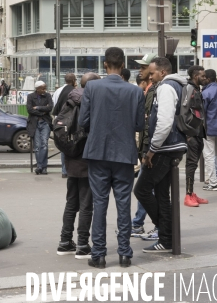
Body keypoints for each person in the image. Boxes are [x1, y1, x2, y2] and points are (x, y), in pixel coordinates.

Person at [79, 47, 144, 269]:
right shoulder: (135, 91)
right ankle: (125, 253)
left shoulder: (92, 87)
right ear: (123, 65)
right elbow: (139, 125)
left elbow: (83, 121)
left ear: (105, 64)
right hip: (124, 153)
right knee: (124, 204)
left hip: (98, 151)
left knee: (100, 203)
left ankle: (98, 254)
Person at [135, 57, 187, 254]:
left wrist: (152, 150)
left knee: (141, 190)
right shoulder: (179, 85)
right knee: (163, 195)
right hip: (174, 145)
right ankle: (167, 239)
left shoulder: (166, 87)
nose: (150, 75)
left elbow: (164, 122)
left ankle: (167, 233)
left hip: (165, 148)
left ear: (162, 72)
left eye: (153, 72)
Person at [57, 73, 97, 259]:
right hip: (87, 157)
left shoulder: (70, 98)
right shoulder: (92, 101)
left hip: (70, 156)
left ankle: (65, 242)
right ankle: (82, 244)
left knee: (71, 202)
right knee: (86, 204)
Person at [132, 53, 158, 239]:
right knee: (146, 188)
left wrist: (148, 151)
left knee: (146, 188)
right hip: (148, 148)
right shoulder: (149, 89)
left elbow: (151, 124)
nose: (140, 70)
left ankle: (157, 225)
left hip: (152, 150)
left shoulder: (154, 90)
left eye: (143, 67)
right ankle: (139, 223)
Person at [183, 65, 208, 208]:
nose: (205, 78)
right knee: (191, 164)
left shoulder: (197, 89)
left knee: (194, 163)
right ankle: (188, 194)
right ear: (195, 76)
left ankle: (191, 193)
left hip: (198, 132)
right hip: (192, 132)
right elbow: (184, 110)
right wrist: (187, 133)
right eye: (202, 76)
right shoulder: (190, 89)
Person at [53, 73, 77, 179]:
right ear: (73, 81)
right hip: (72, 122)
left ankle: (64, 170)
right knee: (72, 145)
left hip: (60, 122)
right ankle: (70, 169)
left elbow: (55, 105)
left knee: (63, 146)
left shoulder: (59, 91)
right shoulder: (75, 91)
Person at [27, 81, 53, 175]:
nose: (44, 90)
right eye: (42, 88)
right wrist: (42, 111)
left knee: (44, 145)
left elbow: (50, 107)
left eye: (45, 88)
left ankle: (42, 166)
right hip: (35, 123)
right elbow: (29, 110)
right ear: (37, 89)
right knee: (37, 146)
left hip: (45, 122)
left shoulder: (48, 96)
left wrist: (37, 107)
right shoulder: (30, 96)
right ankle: (40, 166)